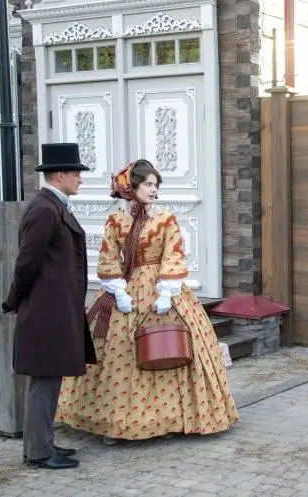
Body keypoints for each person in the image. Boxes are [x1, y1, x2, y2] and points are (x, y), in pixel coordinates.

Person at [56, 160, 239, 442]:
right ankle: (115, 422)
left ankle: (170, 419)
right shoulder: (116, 221)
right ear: (132, 188)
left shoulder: (165, 219)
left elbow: (174, 254)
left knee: (170, 346)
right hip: (126, 290)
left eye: (156, 185)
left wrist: (166, 292)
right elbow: (108, 257)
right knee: (120, 354)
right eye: (148, 184)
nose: (154, 190)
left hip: (162, 288)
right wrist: (118, 290)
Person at [2, 143, 96, 469]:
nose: (80, 178)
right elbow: (26, 262)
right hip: (45, 312)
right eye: (76, 173)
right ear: (60, 176)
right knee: (43, 381)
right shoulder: (44, 209)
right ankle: (39, 453)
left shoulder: (55, 206)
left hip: (55, 310)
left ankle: (44, 443)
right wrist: (15, 299)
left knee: (50, 379)